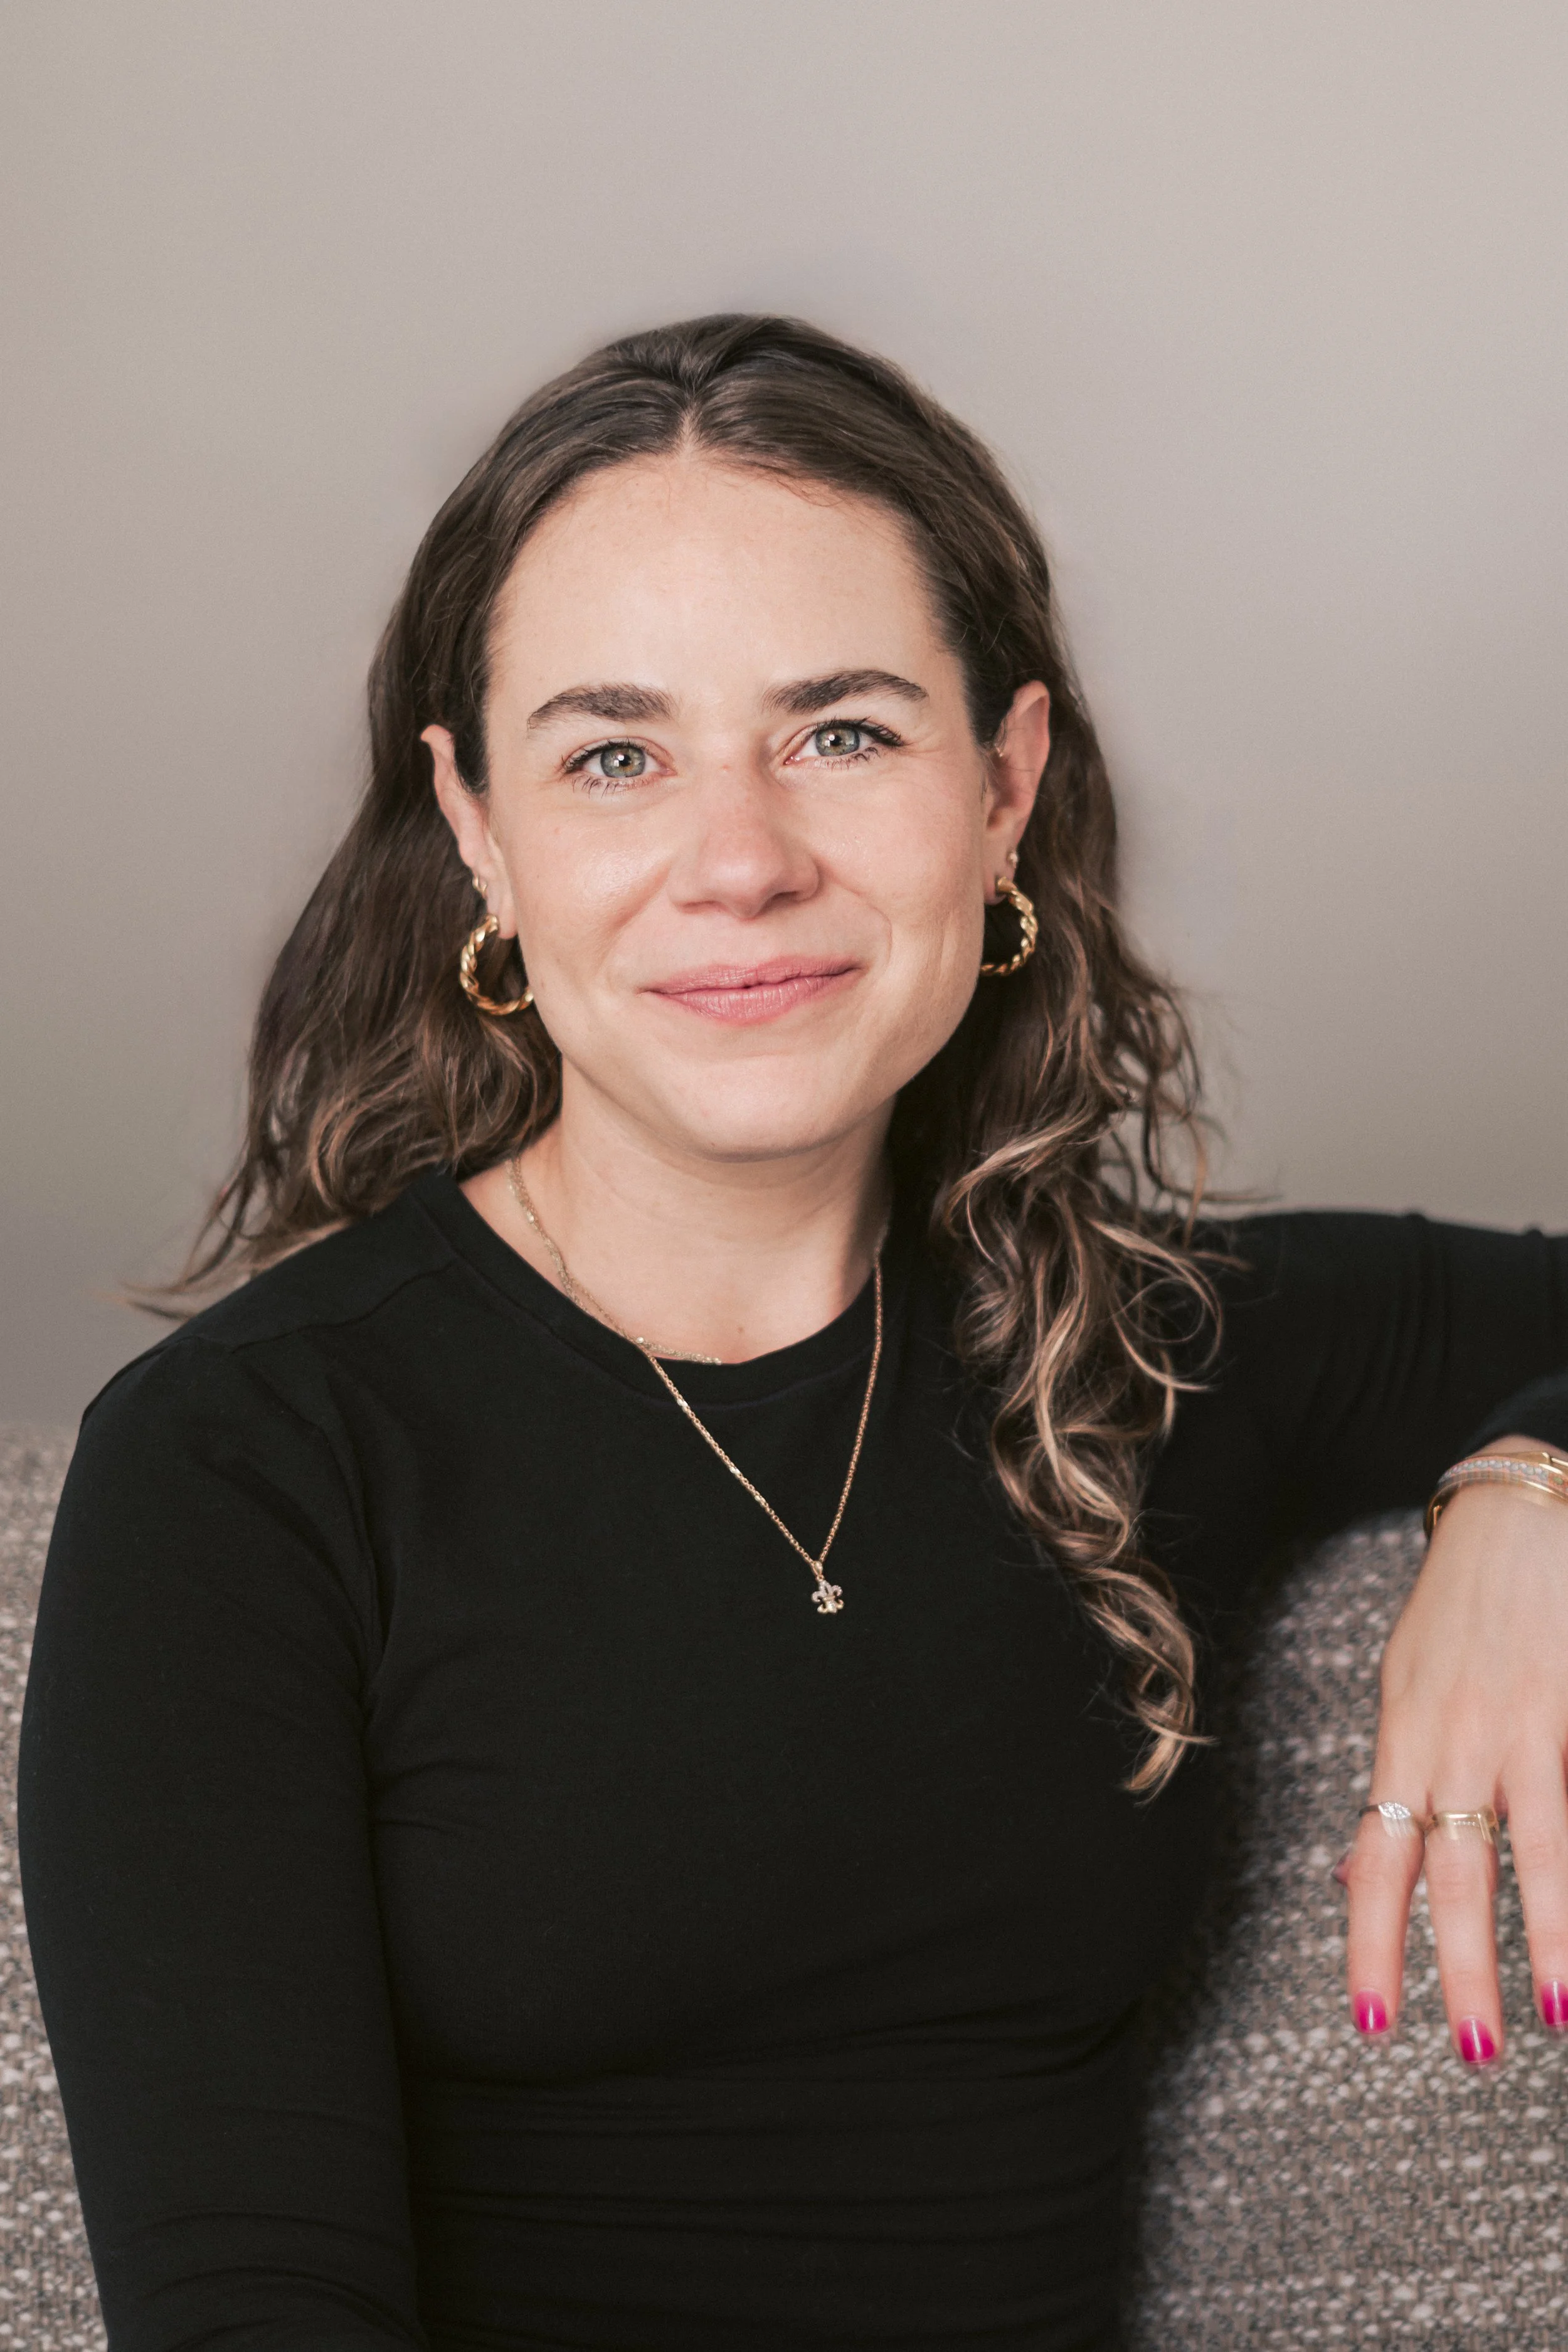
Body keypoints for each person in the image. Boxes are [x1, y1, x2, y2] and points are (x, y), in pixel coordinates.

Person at [18, 314, 1568, 2352]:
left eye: (839, 730)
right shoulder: (248, 1466)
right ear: (477, 825)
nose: (739, 860)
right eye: (613, 754)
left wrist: (1525, 1486)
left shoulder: (1139, 1349)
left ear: (1000, 784)